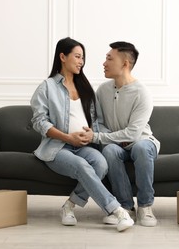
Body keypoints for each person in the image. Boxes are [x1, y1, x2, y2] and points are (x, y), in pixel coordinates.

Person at [30, 37, 134, 232]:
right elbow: (39, 122)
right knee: (81, 165)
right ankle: (117, 211)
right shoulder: (47, 87)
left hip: (85, 146)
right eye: (77, 56)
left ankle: (69, 206)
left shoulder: (85, 88)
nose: (81, 62)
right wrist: (68, 138)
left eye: (82, 58)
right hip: (57, 147)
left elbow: (95, 123)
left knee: (101, 163)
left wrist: (102, 136)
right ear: (62, 56)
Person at [85, 41, 160, 227]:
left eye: (109, 58)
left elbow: (134, 133)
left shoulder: (142, 93)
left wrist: (97, 137)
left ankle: (145, 206)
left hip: (142, 141)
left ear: (125, 63)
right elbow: (99, 123)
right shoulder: (102, 90)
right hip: (116, 145)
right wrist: (109, 138)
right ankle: (125, 207)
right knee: (109, 151)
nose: (104, 63)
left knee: (142, 148)